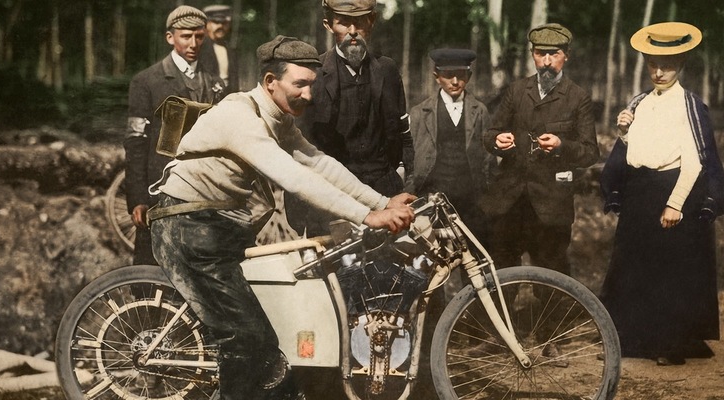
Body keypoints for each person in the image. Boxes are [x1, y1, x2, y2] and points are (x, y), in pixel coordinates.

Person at [148, 35, 415, 400]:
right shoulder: (239, 116)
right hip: (187, 227)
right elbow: (294, 178)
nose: (309, 94)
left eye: (312, 85)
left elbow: (319, 164)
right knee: (245, 336)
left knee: (269, 324)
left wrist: (383, 201)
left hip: (218, 225)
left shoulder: (278, 119)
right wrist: (367, 216)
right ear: (271, 81)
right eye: (299, 84)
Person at [599, 22, 724, 366]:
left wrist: (675, 204)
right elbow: (634, 154)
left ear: (681, 64)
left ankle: (668, 344)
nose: (659, 73)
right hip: (639, 192)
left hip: (672, 191)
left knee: (668, 271)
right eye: (653, 64)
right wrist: (624, 133)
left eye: (667, 66)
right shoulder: (640, 102)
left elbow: (696, 162)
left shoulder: (689, 106)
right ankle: (633, 340)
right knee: (634, 265)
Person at [483, 23, 598, 276]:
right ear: (532, 54)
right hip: (510, 203)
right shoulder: (516, 91)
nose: (546, 62)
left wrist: (561, 146)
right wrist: (498, 141)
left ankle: (551, 304)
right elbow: (490, 135)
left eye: (554, 54)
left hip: (551, 207)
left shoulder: (578, 97)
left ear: (566, 55)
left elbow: (590, 152)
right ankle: (503, 304)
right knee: (501, 275)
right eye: (539, 54)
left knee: (552, 277)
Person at [290, 0, 414, 235]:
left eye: (360, 22)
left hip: (385, 191)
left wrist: (402, 177)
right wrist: (301, 218)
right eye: (344, 23)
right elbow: (299, 148)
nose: (353, 31)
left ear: (372, 21)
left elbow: (402, 133)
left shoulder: (387, 70)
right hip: (332, 199)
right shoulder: (313, 75)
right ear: (328, 25)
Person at [124, 5, 225, 265]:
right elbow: (135, 143)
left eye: (199, 36)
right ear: (170, 37)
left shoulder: (215, 83)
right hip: (160, 190)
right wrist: (137, 199)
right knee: (152, 268)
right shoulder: (147, 81)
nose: (193, 43)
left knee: (201, 266)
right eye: (186, 36)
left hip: (205, 192)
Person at [407, 48, 496, 242]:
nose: (455, 82)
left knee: (474, 251)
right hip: (432, 199)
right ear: (437, 77)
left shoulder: (480, 111)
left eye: (461, 75)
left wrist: (489, 201)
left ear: (469, 76)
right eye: (448, 75)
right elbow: (410, 159)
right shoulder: (420, 113)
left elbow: (488, 160)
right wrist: (411, 196)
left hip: (471, 200)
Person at [200, 4, 240, 93]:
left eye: (224, 23)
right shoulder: (199, 48)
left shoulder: (230, 49)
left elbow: (234, 81)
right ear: (207, 24)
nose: (221, 26)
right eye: (216, 22)